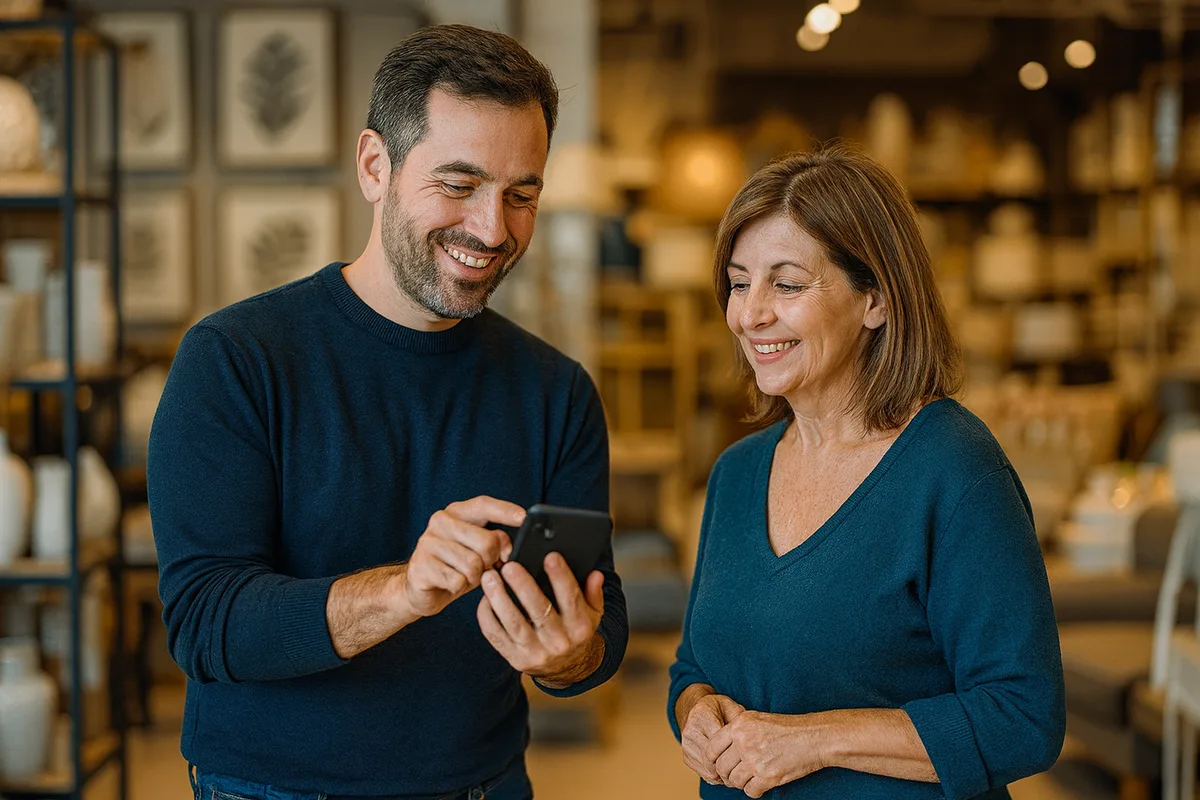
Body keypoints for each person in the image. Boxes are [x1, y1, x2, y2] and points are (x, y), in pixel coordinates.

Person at [148, 24, 627, 800]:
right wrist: (405, 589)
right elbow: (206, 623)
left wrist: (567, 656)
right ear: (377, 167)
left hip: (485, 784)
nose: (493, 229)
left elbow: (599, 629)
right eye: (459, 184)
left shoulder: (557, 390)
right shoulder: (234, 359)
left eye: (522, 195)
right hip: (271, 789)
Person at [668, 145, 1064, 799]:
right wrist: (696, 713)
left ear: (874, 298)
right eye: (740, 282)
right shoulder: (736, 475)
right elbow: (694, 668)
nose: (750, 313)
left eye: (787, 284)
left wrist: (809, 740)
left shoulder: (954, 469)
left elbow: (1024, 718)